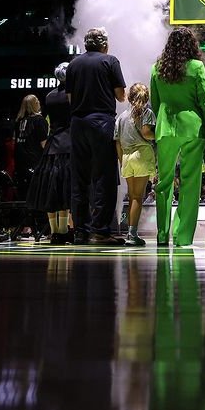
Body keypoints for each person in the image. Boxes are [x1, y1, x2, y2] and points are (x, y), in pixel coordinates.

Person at [150, 26, 205, 246]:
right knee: (190, 184)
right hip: (192, 128)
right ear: (191, 45)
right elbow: (204, 100)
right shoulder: (196, 67)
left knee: (163, 183)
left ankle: (161, 234)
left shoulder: (156, 68)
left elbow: (155, 103)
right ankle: (182, 236)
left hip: (166, 128)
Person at [65, 27, 127, 246]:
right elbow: (121, 96)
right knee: (105, 178)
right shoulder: (110, 61)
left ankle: (80, 231)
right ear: (105, 44)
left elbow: (71, 98)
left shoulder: (73, 64)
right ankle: (100, 231)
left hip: (78, 123)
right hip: (101, 122)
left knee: (79, 179)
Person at [26, 63, 73, 245]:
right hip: (68, 146)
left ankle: (55, 232)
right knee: (64, 191)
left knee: (50, 190)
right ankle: (63, 231)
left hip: (51, 147)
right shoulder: (72, 96)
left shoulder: (49, 96)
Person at [114, 82, 156, 246]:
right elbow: (146, 133)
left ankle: (130, 231)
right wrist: (157, 134)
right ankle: (132, 235)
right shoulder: (147, 113)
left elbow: (117, 142)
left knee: (132, 196)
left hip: (126, 158)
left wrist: (121, 161)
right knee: (138, 197)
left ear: (130, 97)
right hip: (141, 155)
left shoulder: (121, 116)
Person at [13, 93, 49, 202]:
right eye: (37, 101)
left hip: (20, 165)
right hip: (36, 163)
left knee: (23, 197)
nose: (39, 103)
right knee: (37, 198)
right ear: (35, 104)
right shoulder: (39, 120)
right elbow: (44, 144)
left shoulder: (18, 122)